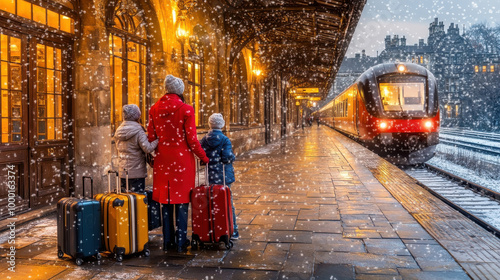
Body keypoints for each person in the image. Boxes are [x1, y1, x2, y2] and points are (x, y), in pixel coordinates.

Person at [147, 74, 209, 253]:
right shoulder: (186, 109)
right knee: (182, 201)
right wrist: (203, 157)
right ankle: (181, 240)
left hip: (162, 160)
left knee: (165, 201)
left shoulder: (154, 109)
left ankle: (168, 241)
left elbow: (151, 137)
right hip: (182, 161)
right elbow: (192, 140)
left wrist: (154, 154)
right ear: (180, 91)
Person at [200, 113, 238, 239]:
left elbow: (201, 154)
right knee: (227, 202)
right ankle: (232, 230)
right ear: (221, 125)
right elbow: (227, 157)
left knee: (211, 203)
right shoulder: (225, 139)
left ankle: (212, 229)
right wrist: (233, 157)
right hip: (223, 175)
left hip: (210, 175)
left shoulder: (204, 139)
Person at [114, 104, 158, 193]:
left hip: (123, 172)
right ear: (137, 116)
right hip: (136, 173)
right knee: (138, 201)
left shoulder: (118, 130)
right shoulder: (138, 130)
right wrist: (157, 140)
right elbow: (148, 148)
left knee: (126, 201)